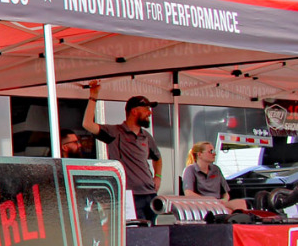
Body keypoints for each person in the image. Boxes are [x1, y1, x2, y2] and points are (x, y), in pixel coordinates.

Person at [82, 82, 162, 221]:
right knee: (137, 232)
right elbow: (87, 124)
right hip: (129, 195)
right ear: (134, 111)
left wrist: (158, 176)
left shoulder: (146, 136)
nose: (150, 112)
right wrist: (93, 97)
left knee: (154, 231)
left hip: (150, 193)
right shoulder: (115, 132)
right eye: (146, 109)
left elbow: (157, 157)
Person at [181, 141, 247, 209]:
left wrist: (224, 200)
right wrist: (211, 201)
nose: (214, 154)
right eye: (211, 151)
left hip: (218, 203)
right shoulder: (190, 170)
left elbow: (225, 193)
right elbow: (188, 193)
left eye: (214, 151)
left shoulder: (216, 169)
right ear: (200, 154)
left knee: (241, 203)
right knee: (229, 210)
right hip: (202, 205)